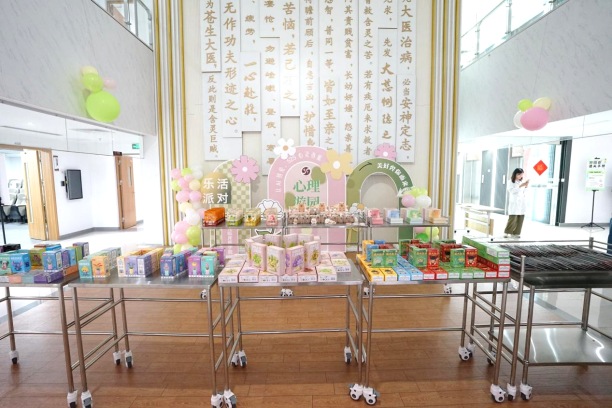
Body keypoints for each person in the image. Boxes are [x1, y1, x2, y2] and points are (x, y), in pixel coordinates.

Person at [504, 168, 529, 238]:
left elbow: (525, 192)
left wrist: (526, 187)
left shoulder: (522, 182)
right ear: (515, 174)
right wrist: (520, 186)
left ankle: (516, 233)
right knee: (513, 218)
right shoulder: (510, 182)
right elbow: (511, 191)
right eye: (519, 174)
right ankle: (507, 232)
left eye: (522, 174)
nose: (521, 176)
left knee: (520, 218)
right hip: (514, 202)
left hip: (522, 202)